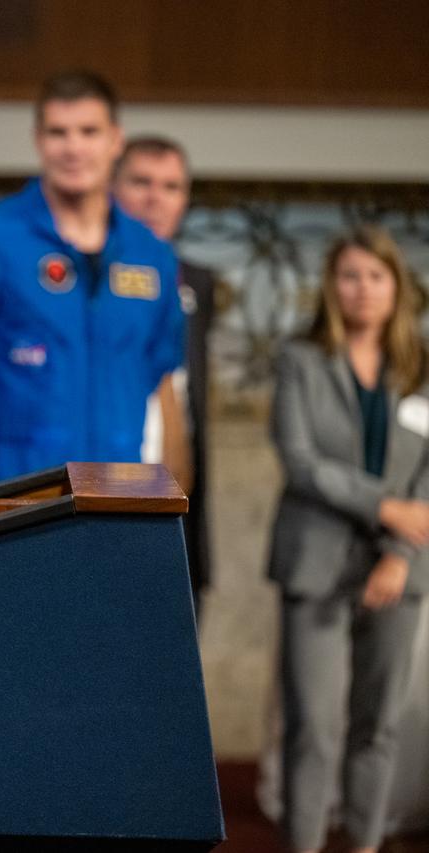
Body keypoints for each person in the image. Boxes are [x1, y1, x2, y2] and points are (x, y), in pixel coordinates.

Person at [0, 71, 185, 491]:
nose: (73, 148)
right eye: (58, 133)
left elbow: (157, 368)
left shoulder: (151, 255)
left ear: (115, 140)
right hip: (3, 491)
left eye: (89, 131)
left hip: (113, 489)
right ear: (38, 140)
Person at [269, 225, 429, 853]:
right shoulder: (300, 359)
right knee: (313, 728)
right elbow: (301, 461)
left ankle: (364, 845)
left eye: (376, 276)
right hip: (314, 560)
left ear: (397, 286)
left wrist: (398, 550)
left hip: (401, 568)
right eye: (349, 276)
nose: (362, 289)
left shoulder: (422, 365)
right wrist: (384, 506)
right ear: (332, 287)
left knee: (377, 726)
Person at [113, 134, 216, 617]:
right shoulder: (77, 273)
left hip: (175, 510)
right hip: (98, 497)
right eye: (142, 183)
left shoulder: (196, 281)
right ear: (112, 187)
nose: (156, 198)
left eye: (171, 186)